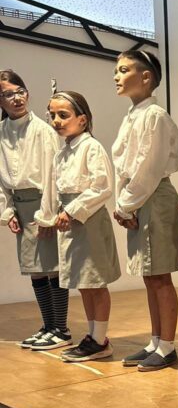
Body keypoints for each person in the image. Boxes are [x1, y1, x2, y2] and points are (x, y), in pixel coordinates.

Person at [112, 50, 178, 371]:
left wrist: (125, 204)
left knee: (160, 275)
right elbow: (125, 166)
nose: (116, 76)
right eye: (116, 70)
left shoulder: (154, 116)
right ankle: (155, 340)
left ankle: (167, 346)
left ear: (145, 77)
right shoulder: (133, 116)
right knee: (149, 275)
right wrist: (124, 204)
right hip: (138, 198)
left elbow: (149, 167)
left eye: (123, 70)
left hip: (153, 197)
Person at [37, 90, 120, 362]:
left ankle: (100, 339)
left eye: (64, 115)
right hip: (69, 222)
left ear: (82, 120)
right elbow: (53, 190)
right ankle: (93, 336)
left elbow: (102, 186)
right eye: (52, 115)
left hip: (89, 220)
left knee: (95, 282)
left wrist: (72, 211)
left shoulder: (91, 147)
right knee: (84, 283)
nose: (57, 121)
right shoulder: (61, 154)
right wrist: (49, 217)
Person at [0, 69, 70, 350]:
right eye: (8, 94)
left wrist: (48, 214)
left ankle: (61, 329)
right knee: (35, 270)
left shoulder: (43, 129)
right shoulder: (1, 132)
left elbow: (54, 175)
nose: (17, 98)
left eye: (20, 91)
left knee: (52, 268)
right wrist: (7, 211)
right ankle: (48, 325)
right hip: (19, 206)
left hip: (44, 204)